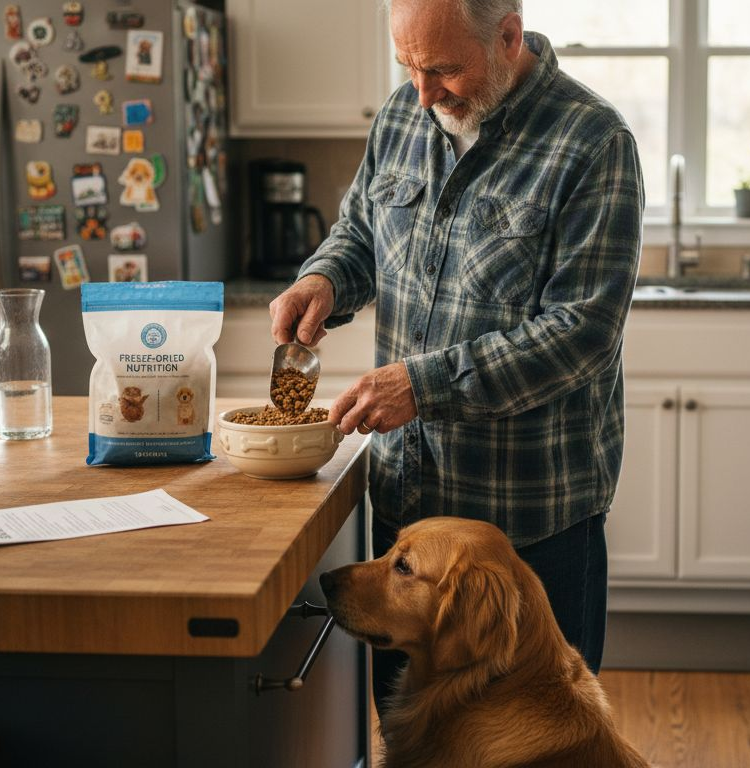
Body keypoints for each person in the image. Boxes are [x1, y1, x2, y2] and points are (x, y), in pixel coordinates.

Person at [268, 0, 643, 720]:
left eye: (441, 68)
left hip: (530, 526)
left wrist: (425, 383)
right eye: (407, 65)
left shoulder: (592, 142)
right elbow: (360, 233)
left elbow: (581, 332)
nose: (421, 91)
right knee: (413, 735)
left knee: (541, 739)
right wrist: (323, 278)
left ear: (507, 36)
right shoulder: (404, 117)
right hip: (411, 506)